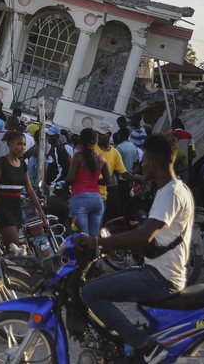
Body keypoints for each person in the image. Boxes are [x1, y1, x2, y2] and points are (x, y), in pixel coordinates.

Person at [79, 134, 194, 362]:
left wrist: (96, 242)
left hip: (160, 278)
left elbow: (144, 235)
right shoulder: (176, 189)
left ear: (151, 161)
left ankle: (142, 344)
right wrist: (108, 247)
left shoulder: (170, 193)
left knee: (91, 291)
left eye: (143, 161)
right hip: (161, 272)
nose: (141, 165)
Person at [0, 131, 45, 250]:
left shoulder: (23, 164)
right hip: (2, 210)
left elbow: (29, 190)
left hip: (16, 210)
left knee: (8, 248)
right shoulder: (0, 164)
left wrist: (40, 210)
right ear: (10, 144)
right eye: (19, 144)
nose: (23, 147)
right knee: (15, 248)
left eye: (24, 144)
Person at [66, 128, 110, 236]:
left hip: (79, 200)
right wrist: (94, 181)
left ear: (81, 140)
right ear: (95, 141)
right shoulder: (101, 159)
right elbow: (107, 180)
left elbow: (70, 178)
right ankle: (95, 252)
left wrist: (65, 185)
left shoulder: (78, 157)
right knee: (94, 238)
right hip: (97, 200)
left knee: (82, 237)